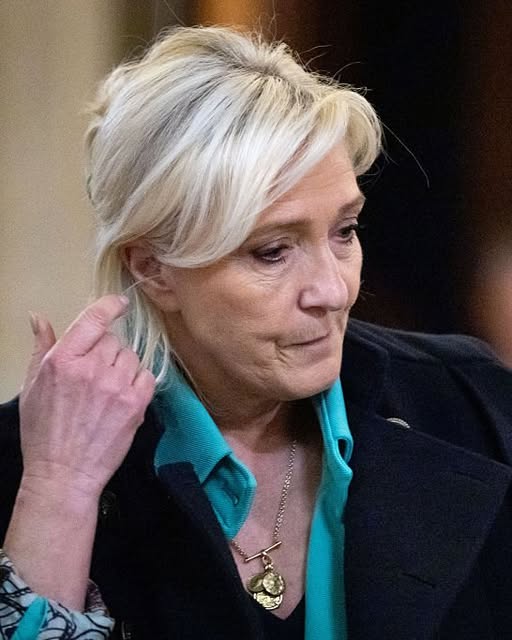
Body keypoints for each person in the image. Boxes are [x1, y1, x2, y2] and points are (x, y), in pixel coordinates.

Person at [1, 25, 512, 640]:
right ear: (153, 268)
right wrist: (60, 490)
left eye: (345, 232)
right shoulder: (31, 469)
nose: (333, 291)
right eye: (272, 251)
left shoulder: (468, 401)